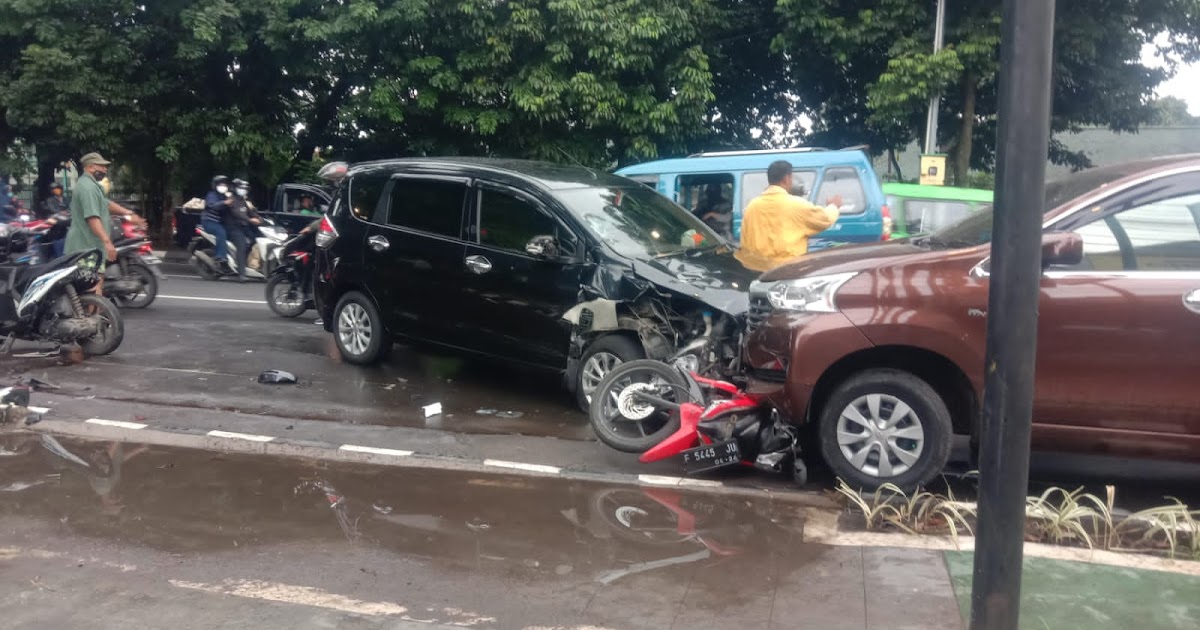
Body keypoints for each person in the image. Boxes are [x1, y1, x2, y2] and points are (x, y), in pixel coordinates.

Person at [735, 160, 842, 272]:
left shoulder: (752, 206)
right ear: (786, 178)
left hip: (755, 270)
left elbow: (745, 240)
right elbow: (824, 219)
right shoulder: (796, 204)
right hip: (786, 270)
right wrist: (834, 206)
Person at [64, 153, 145, 271]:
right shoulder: (88, 188)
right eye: (101, 166)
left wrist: (129, 213)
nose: (105, 169)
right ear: (90, 167)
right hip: (86, 248)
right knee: (92, 286)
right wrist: (107, 242)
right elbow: (92, 218)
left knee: (98, 284)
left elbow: (106, 204)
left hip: (92, 247)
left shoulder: (92, 186)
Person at [224, 178, 261, 282]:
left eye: (244, 188)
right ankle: (241, 274)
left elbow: (250, 212)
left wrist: (260, 218)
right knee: (242, 245)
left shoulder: (242, 201)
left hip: (243, 227)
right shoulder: (232, 200)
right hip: (233, 228)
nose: (243, 190)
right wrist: (250, 220)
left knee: (255, 240)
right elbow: (237, 213)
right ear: (235, 188)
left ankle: (250, 264)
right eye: (241, 188)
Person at [202, 175, 234, 272]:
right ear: (215, 185)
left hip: (220, 222)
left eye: (224, 185)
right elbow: (212, 206)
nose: (223, 186)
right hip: (209, 222)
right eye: (220, 184)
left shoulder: (225, 196)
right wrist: (224, 203)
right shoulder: (212, 195)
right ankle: (221, 257)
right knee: (221, 232)